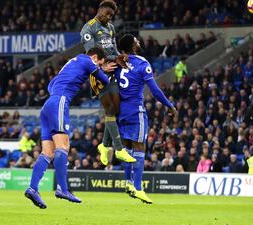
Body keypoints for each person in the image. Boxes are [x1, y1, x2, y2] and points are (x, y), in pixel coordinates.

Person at [25, 47, 111, 209]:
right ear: (94, 57)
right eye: (99, 62)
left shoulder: (72, 63)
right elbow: (104, 80)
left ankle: (33, 188)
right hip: (60, 102)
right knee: (63, 146)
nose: (99, 66)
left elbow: (51, 85)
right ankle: (63, 189)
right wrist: (104, 71)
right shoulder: (87, 60)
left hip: (48, 105)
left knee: (47, 152)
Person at [114, 34, 176, 204]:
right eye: (136, 41)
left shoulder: (117, 61)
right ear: (132, 46)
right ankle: (138, 188)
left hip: (120, 112)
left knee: (126, 149)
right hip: (135, 111)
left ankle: (128, 183)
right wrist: (169, 105)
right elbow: (155, 91)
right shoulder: (141, 63)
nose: (139, 42)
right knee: (140, 148)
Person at [80, 0, 135, 166]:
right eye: (107, 13)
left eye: (112, 15)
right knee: (110, 109)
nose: (109, 17)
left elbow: (113, 49)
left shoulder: (110, 27)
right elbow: (91, 54)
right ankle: (118, 149)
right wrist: (102, 65)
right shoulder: (88, 28)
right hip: (98, 73)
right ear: (100, 10)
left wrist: (120, 57)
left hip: (112, 69)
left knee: (115, 110)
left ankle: (104, 146)